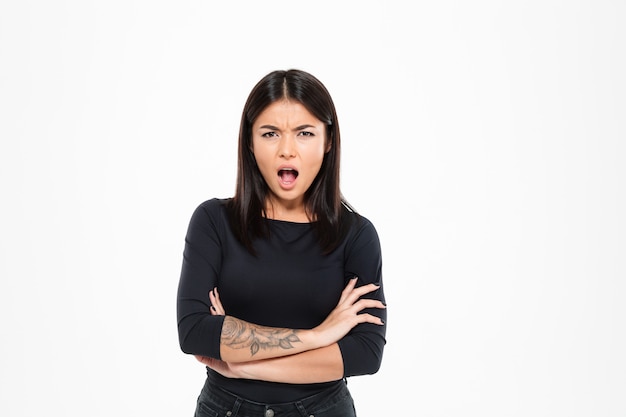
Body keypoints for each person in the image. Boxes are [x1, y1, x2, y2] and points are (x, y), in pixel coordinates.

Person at [176, 69, 387, 417]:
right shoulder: (213, 221)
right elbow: (196, 331)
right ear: (249, 140)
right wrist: (319, 336)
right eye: (271, 133)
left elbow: (365, 353)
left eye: (304, 133)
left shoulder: (357, 235)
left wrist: (243, 363)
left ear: (328, 140)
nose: (287, 150)